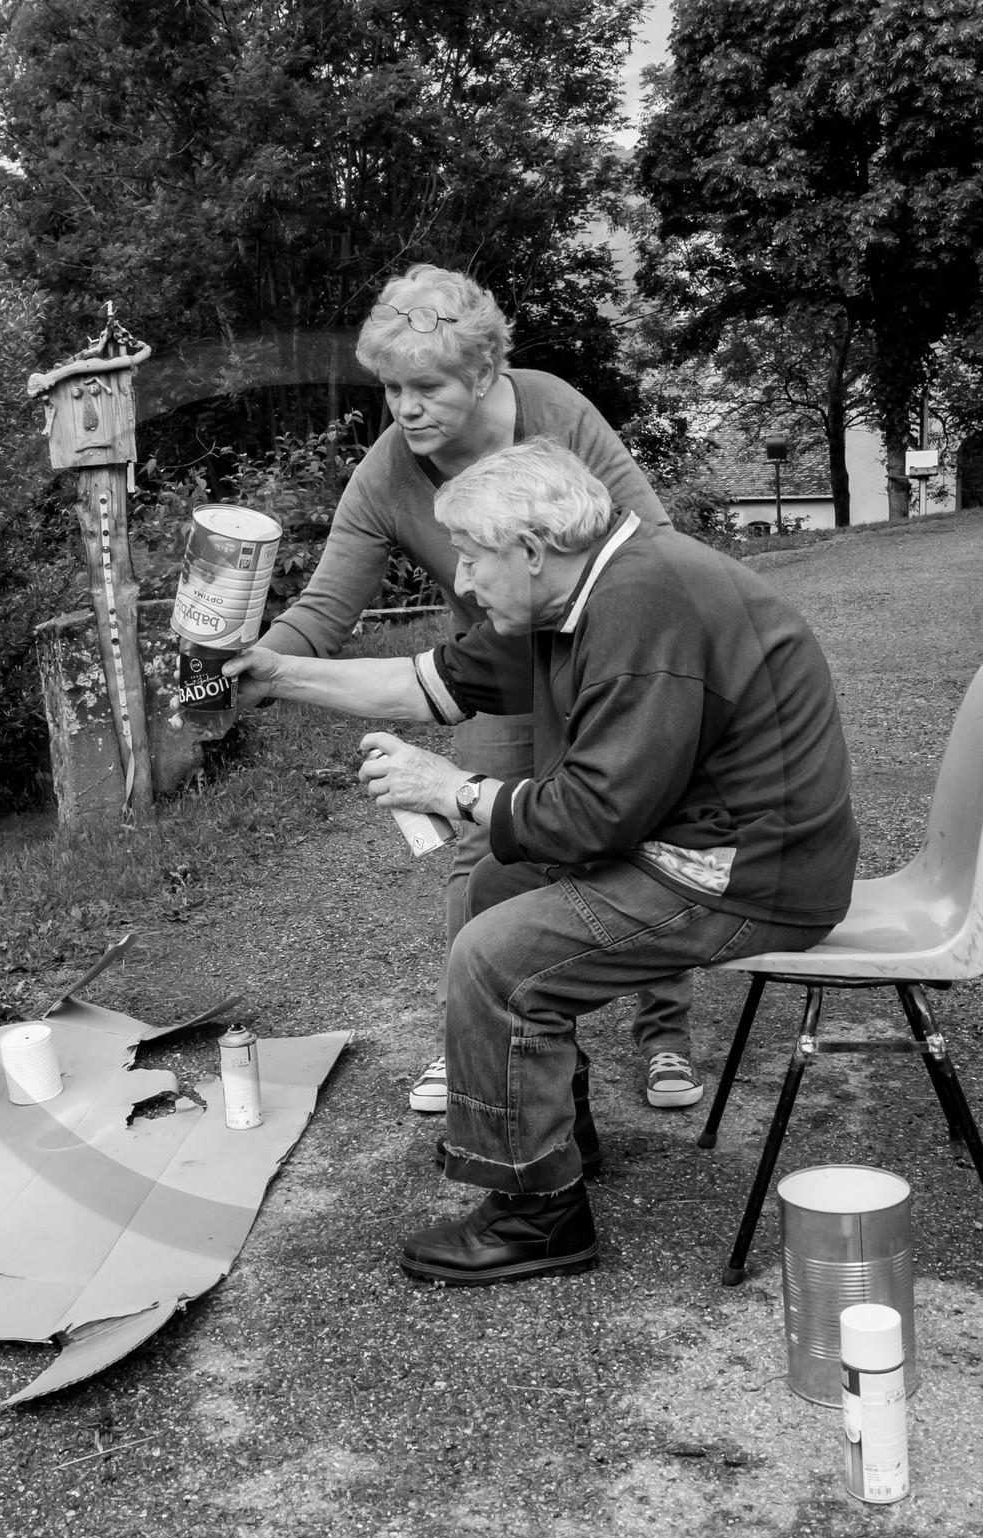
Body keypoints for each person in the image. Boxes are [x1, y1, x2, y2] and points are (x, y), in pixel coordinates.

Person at [227, 438, 858, 1284]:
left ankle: (537, 1215)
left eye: (472, 558)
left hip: (750, 872)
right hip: (701, 840)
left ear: (530, 551)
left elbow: (591, 819)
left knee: (497, 961)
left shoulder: (644, 607)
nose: (464, 581)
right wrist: (276, 675)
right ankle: (552, 1130)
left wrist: (453, 790)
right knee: (496, 886)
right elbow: (431, 681)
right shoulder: (576, 594)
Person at [252, 265, 700, 1117]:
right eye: (391, 388)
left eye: (427, 386)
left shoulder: (558, 413)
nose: (406, 407)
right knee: (483, 839)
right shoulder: (388, 474)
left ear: (487, 373)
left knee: (638, 822)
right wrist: (252, 670)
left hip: (605, 651)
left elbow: (659, 546)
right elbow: (323, 610)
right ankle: (476, 1034)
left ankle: (665, 1034)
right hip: (497, 669)